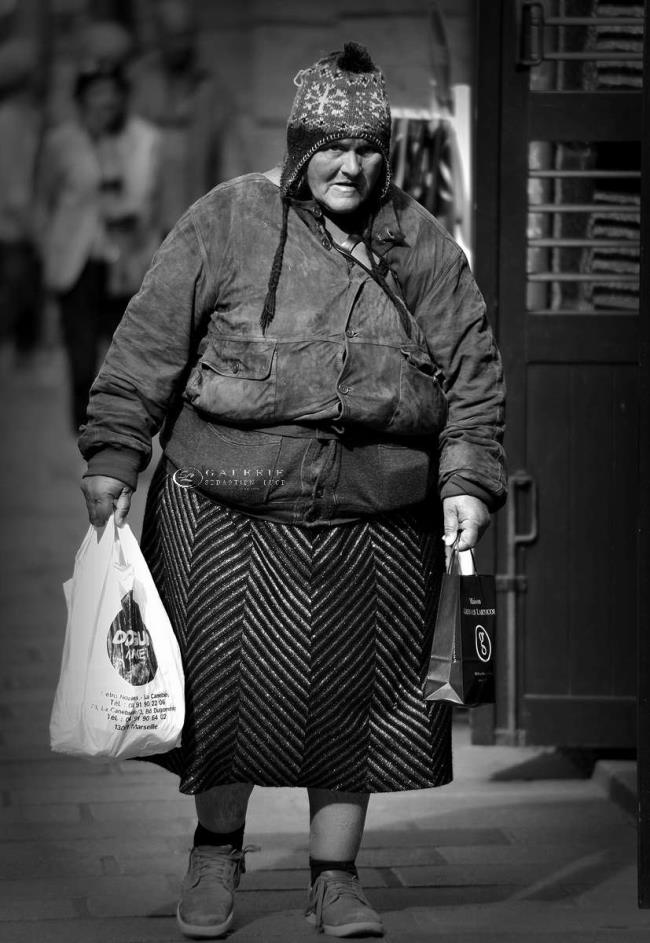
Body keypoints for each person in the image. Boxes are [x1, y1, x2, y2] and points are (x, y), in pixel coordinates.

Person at [78, 43, 506, 940]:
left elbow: (472, 368)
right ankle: (213, 856)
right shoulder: (227, 219)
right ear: (300, 146)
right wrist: (116, 455)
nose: (351, 166)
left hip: (375, 519)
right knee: (225, 696)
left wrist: (468, 476)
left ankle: (335, 877)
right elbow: (150, 339)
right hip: (227, 510)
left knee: (356, 704)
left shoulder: (420, 239)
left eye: (369, 149)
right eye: (332, 148)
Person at [36, 62, 161, 430]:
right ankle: (82, 425)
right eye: (96, 95)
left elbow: (145, 200)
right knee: (79, 350)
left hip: (123, 261)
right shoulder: (61, 143)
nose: (105, 103)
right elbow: (42, 201)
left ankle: (119, 424)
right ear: (80, 100)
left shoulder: (139, 140)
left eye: (111, 95)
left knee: (123, 352)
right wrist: (48, 251)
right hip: (76, 261)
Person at [130, 0, 247, 237]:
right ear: (159, 35)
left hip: (195, 224)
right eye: (172, 36)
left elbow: (231, 160)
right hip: (143, 225)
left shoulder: (211, 89)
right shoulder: (139, 83)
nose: (179, 45)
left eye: (185, 36)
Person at [0, 38, 42, 365]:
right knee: (17, 298)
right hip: (15, 229)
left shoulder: (22, 117)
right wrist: (37, 229)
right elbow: (17, 183)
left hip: (16, 226)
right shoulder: (14, 121)